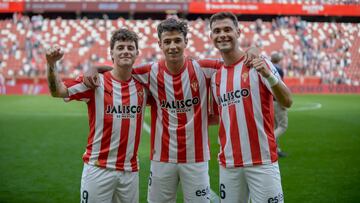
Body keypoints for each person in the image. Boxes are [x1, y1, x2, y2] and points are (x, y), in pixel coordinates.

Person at [84, 18, 260, 203]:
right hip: (162, 159)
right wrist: (94, 67)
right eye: (167, 42)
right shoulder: (149, 71)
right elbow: (122, 68)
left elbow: (233, 60)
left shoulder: (204, 68)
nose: (173, 46)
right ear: (160, 44)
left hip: (196, 158)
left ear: (186, 42)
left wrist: (253, 49)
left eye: (177, 40)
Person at [46, 28, 147, 203]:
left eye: (130, 48)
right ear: (111, 53)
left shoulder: (144, 85)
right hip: (98, 169)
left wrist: (95, 67)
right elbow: (58, 91)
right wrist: (51, 64)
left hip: (130, 171)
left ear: (137, 53)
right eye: (120, 47)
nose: (125, 51)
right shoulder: (95, 82)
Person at [209, 12, 292, 203]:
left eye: (227, 29)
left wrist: (268, 75)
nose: (222, 34)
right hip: (229, 164)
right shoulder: (215, 77)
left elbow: (287, 101)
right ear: (211, 37)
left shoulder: (258, 64)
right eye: (217, 31)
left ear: (238, 32)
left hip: (262, 161)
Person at [271, 51, 289, 157]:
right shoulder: (278, 70)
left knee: (275, 126)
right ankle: (269, 143)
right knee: (282, 125)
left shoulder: (268, 67)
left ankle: (275, 149)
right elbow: (279, 86)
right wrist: (282, 100)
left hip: (270, 100)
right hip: (277, 100)